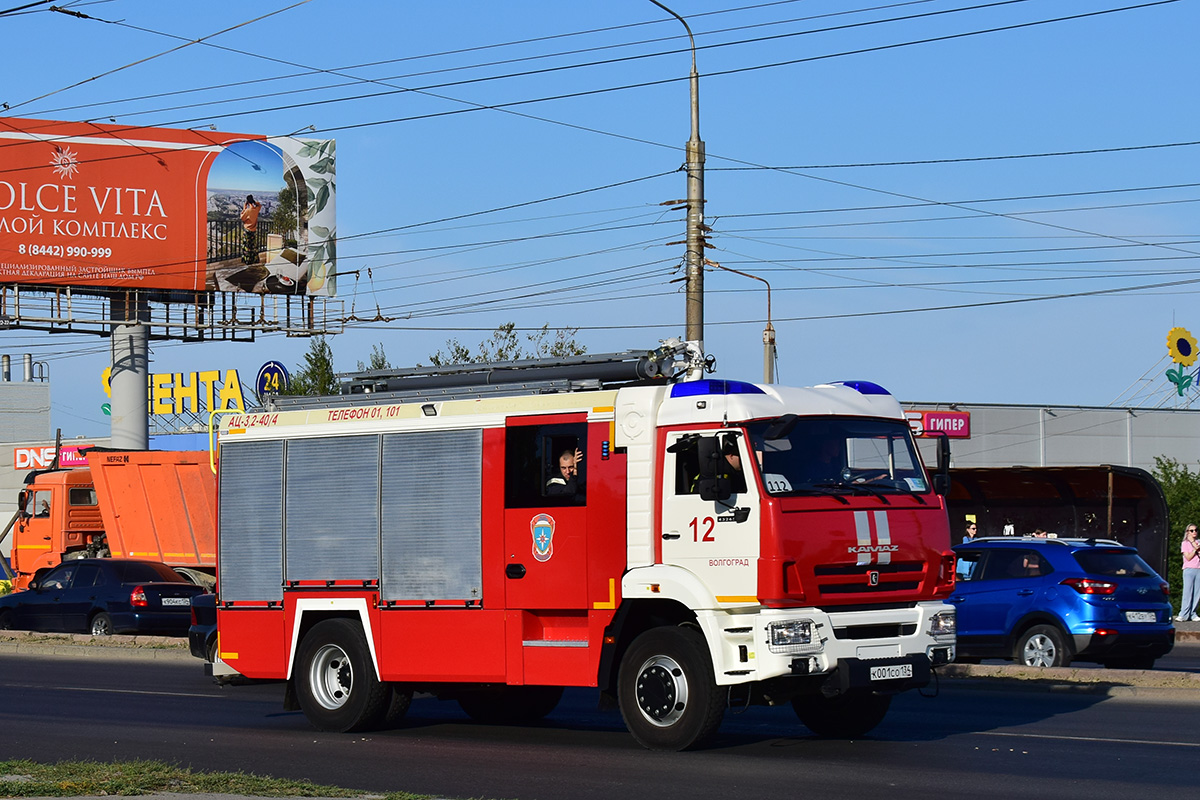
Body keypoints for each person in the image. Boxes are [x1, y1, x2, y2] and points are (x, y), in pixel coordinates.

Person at [1177, 523, 1200, 622]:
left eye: (1195, 530)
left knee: (1197, 593)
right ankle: (1183, 614)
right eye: (1191, 530)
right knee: (1187, 592)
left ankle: (1193, 613)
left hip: (1198, 569)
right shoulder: (1185, 543)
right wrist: (1195, 548)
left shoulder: (1199, 541)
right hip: (1189, 569)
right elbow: (1188, 557)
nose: (1194, 532)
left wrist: (1194, 544)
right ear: (1187, 532)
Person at [240, 195, 262, 265]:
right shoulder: (256, 210)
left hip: (247, 231)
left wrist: (244, 207)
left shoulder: (247, 211)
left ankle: (247, 261)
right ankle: (254, 260)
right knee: (253, 246)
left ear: (247, 202)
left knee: (246, 246)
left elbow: (242, 218)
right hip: (253, 231)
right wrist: (254, 202)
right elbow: (259, 205)